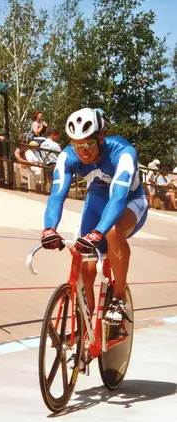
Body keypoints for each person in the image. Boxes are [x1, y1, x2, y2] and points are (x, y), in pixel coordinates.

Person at [40, 107, 149, 326]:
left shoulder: (123, 152)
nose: (82, 151)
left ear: (101, 138)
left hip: (130, 202)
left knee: (111, 232)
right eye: (77, 145)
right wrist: (49, 228)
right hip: (96, 202)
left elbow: (118, 198)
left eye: (88, 144)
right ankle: (88, 325)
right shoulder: (67, 157)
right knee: (85, 270)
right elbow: (57, 195)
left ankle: (118, 299)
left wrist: (98, 233)